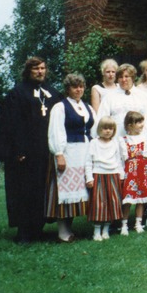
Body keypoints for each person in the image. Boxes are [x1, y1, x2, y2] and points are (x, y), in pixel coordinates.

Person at [0, 57, 62, 243]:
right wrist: (18, 150)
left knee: (42, 190)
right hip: (25, 153)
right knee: (24, 191)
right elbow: (12, 124)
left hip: (45, 152)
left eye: (43, 68)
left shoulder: (52, 93)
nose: (40, 71)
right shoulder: (18, 93)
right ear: (28, 71)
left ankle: (38, 227)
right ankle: (24, 232)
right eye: (36, 68)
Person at [46, 73, 94, 242]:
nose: (78, 90)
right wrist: (59, 154)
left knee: (79, 190)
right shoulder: (60, 107)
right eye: (75, 87)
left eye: (81, 86)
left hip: (85, 152)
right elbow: (56, 131)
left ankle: (70, 227)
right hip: (69, 152)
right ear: (68, 89)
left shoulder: (88, 107)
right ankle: (62, 230)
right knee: (66, 191)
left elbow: (92, 131)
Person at [85, 117, 126, 241]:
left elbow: (119, 160)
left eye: (110, 128)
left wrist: (121, 175)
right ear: (99, 129)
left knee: (111, 202)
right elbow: (88, 161)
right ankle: (96, 231)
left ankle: (106, 230)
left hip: (113, 175)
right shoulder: (94, 143)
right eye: (105, 128)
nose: (108, 131)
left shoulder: (115, 143)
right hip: (98, 174)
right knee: (99, 203)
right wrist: (89, 178)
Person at [120, 111, 147, 235]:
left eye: (142, 121)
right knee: (128, 199)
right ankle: (124, 224)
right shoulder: (124, 140)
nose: (142, 125)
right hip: (130, 172)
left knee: (141, 199)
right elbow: (122, 158)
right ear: (130, 125)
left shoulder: (145, 139)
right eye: (138, 122)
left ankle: (138, 223)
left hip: (143, 171)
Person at [95, 64, 147, 139]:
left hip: (138, 141)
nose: (123, 80)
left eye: (127, 76)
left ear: (133, 78)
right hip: (115, 140)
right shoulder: (109, 97)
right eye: (120, 77)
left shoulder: (143, 96)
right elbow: (101, 119)